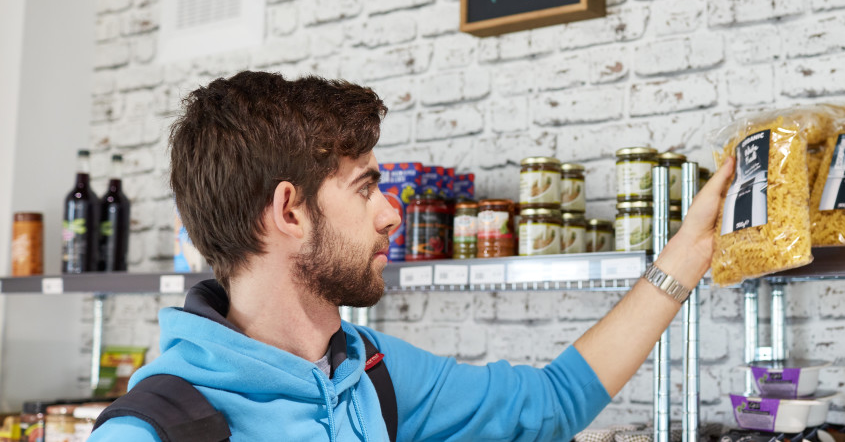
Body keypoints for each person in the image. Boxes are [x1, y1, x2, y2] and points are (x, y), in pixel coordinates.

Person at [88, 71, 733, 441]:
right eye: (365, 187)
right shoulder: (155, 430)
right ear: (289, 211)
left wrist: (687, 254)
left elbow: (552, 402)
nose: (392, 212)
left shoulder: (371, 372)